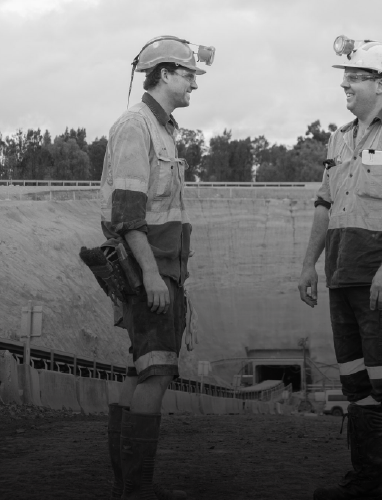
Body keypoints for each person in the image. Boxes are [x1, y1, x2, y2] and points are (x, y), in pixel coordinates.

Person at [298, 36, 382, 500]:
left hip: (381, 277)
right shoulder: (339, 137)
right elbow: (324, 204)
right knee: (357, 382)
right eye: (345, 78)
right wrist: (308, 265)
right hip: (342, 273)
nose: (345, 85)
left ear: (381, 83)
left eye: (353, 78)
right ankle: (369, 482)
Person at [100, 36, 214, 500]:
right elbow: (128, 212)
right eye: (187, 75)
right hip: (150, 268)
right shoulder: (136, 125)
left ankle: (128, 486)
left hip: (164, 267)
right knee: (158, 372)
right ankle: (136, 490)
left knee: (141, 370)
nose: (193, 84)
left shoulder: (162, 128)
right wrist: (150, 274)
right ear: (164, 74)